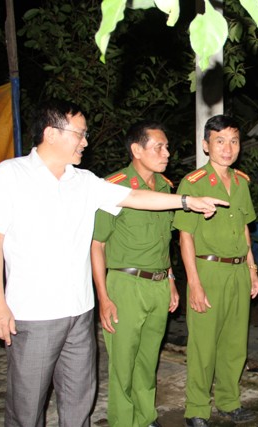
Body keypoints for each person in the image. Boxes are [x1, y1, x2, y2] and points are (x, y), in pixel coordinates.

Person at [0, 99, 227, 427]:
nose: (86, 142)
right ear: (51, 134)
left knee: (79, 401)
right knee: (27, 408)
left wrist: (187, 201)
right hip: (34, 314)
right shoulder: (9, 175)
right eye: (80, 134)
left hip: (80, 313)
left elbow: (134, 197)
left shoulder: (83, 181)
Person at [91, 121, 180, 427]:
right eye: (159, 147)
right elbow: (97, 245)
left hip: (158, 285)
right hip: (125, 285)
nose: (167, 153)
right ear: (136, 150)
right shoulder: (113, 186)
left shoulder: (165, 187)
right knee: (123, 364)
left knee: (148, 359)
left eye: (167, 147)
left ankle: (145, 417)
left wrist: (170, 281)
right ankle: (122, 421)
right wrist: (103, 297)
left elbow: (163, 242)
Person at [173, 115, 258, 427]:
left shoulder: (241, 183)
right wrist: (194, 283)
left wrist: (252, 269)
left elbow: (244, 229)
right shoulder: (193, 183)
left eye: (234, 141)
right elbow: (185, 236)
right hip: (207, 270)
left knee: (235, 343)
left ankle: (229, 401)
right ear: (206, 145)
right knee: (203, 345)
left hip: (238, 271)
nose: (228, 148)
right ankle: (197, 409)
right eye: (220, 141)